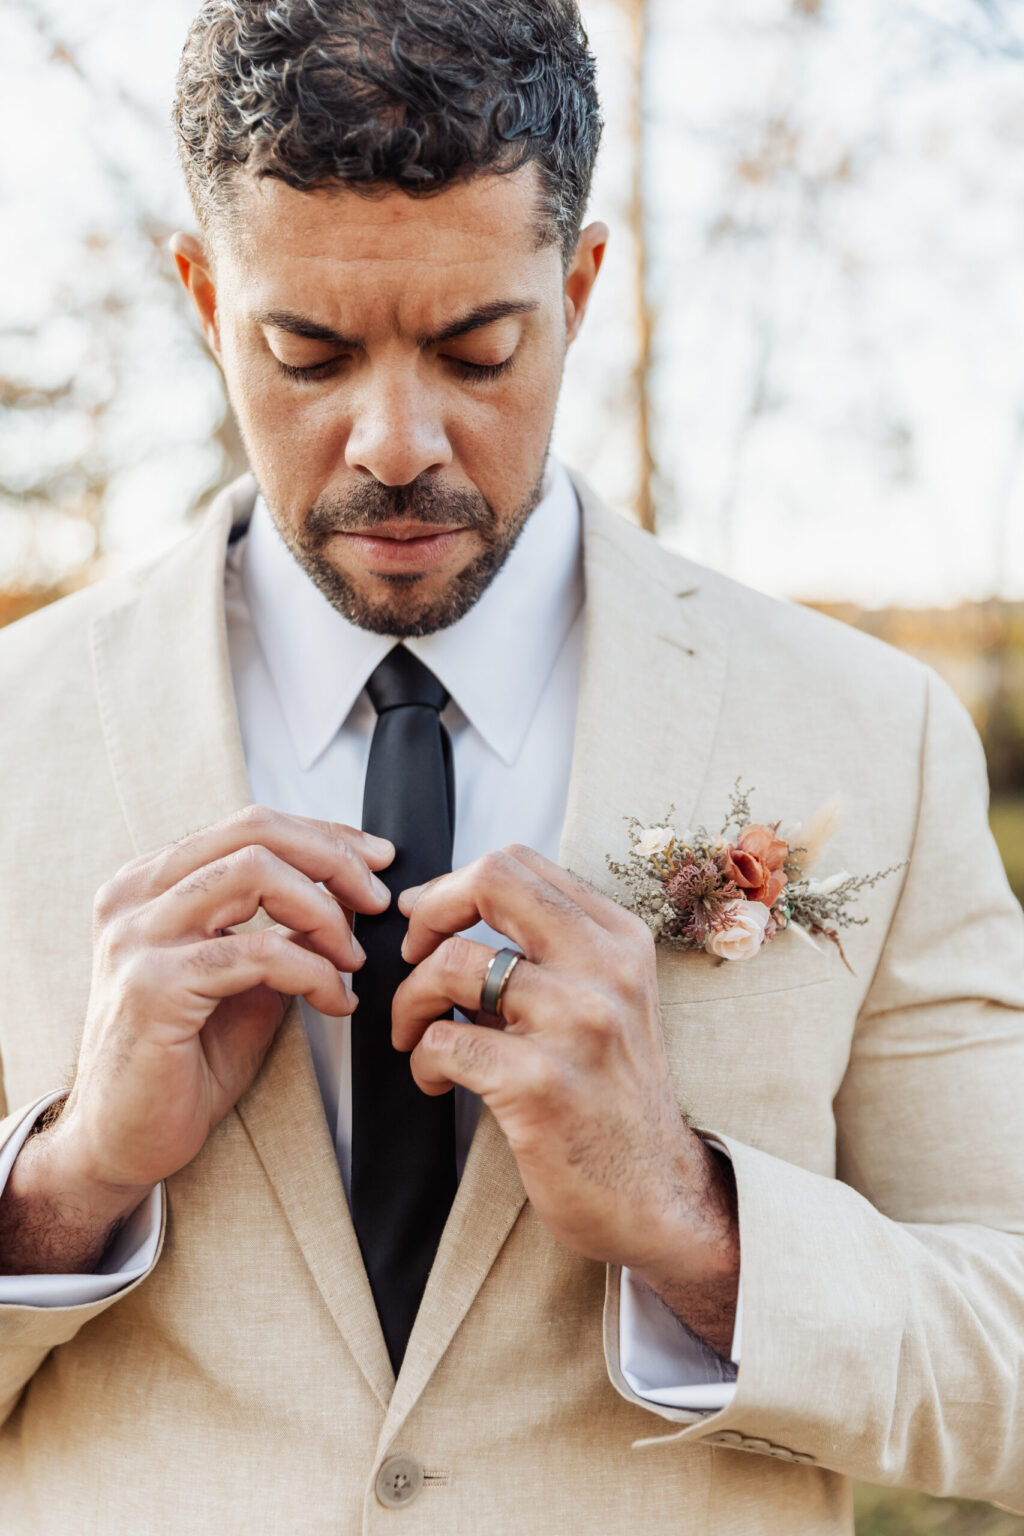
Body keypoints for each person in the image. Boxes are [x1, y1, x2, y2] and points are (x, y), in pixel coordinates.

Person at [0, 1, 1021, 1530]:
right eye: (308, 350)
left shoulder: (874, 735)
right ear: (206, 296)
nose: (396, 442)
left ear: (581, 286)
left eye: (480, 348)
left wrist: (695, 1220)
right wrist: (66, 1187)